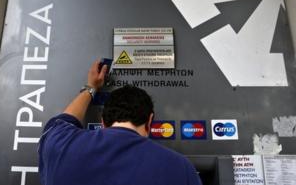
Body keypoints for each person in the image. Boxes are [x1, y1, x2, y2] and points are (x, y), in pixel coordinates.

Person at [38, 60, 203, 185]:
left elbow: (64, 120)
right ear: (150, 121)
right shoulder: (181, 168)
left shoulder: (59, 144)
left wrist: (91, 88)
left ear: (102, 122)